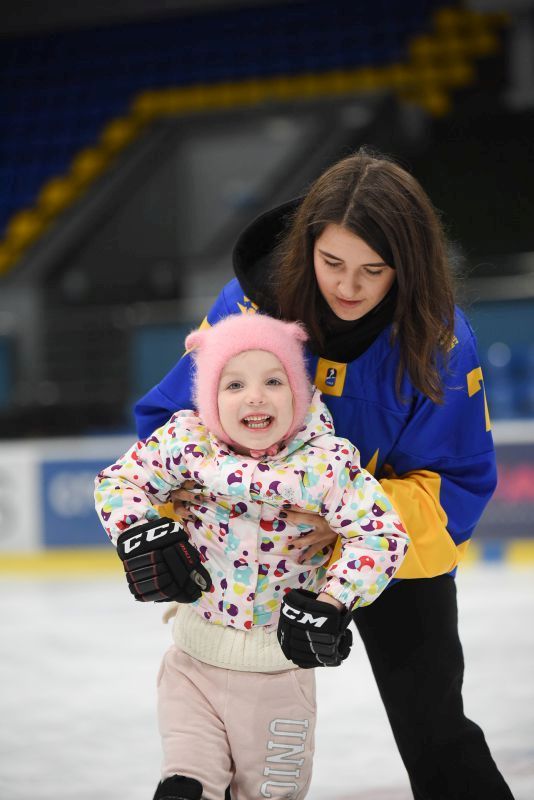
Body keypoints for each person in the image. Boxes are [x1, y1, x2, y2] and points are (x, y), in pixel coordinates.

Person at [134, 149, 515, 800]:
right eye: (332, 262)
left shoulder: (441, 339)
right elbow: (175, 421)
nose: (349, 286)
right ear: (307, 245)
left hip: (385, 553)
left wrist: (348, 523)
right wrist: (172, 514)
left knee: (436, 734)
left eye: (374, 270)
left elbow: (459, 486)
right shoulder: (248, 304)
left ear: (408, 265)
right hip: (253, 550)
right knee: (220, 746)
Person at [95, 313, 409, 800]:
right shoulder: (186, 444)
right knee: (185, 786)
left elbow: (381, 535)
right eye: (235, 384)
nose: (256, 396)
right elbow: (118, 481)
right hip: (193, 666)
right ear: (210, 399)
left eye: (274, 381)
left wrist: (331, 602)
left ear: (299, 393)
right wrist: (141, 533)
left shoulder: (324, 465)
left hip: (278, 677)